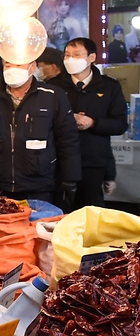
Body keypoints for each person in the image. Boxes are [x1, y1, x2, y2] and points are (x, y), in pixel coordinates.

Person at [0, 58, 81, 207]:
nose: (12, 69)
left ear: (32, 67)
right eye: (8, 64)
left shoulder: (52, 96)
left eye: (18, 65)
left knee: (37, 228)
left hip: (39, 185)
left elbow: (67, 138)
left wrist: (70, 178)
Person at [48, 37, 128, 208]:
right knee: (59, 213)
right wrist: (67, 120)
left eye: (77, 55)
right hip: (59, 161)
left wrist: (92, 123)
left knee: (90, 213)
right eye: (67, 55)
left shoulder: (109, 87)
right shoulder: (53, 86)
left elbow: (120, 124)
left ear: (92, 58)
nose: (70, 59)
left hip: (93, 162)